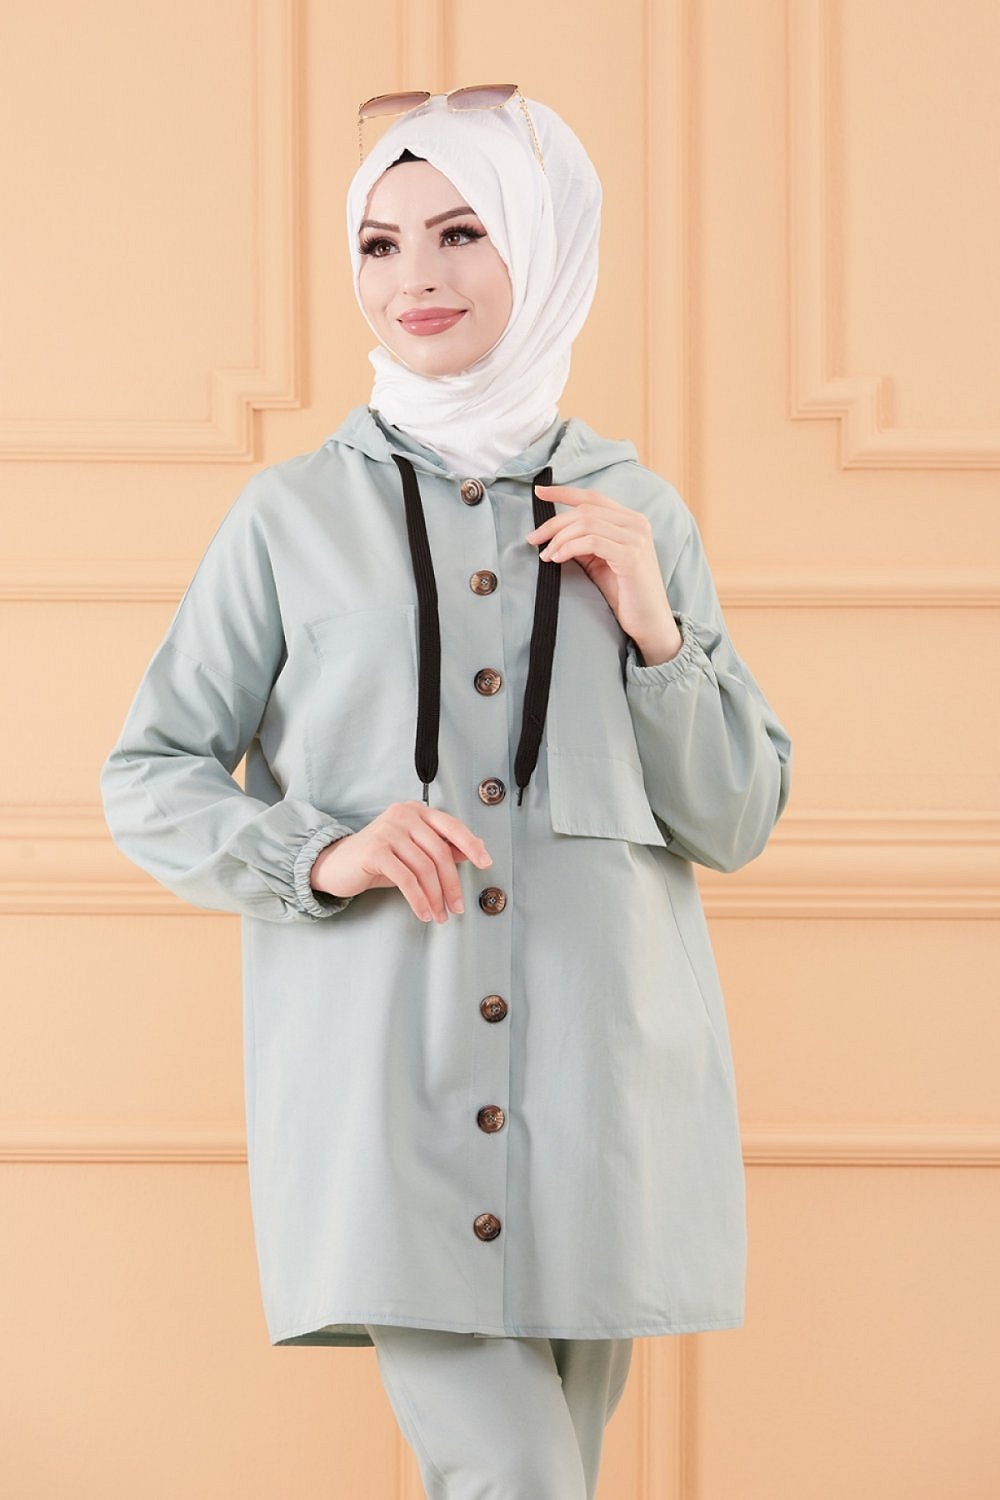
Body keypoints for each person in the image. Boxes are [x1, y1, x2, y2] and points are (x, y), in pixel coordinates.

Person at [100, 87, 793, 1500]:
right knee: (520, 1480)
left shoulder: (638, 511)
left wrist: (656, 630)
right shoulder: (292, 515)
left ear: (540, 245)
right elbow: (149, 773)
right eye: (379, 242)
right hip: (384, 1090)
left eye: (462, 232)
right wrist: (324, 852)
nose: (413, 276)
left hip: (604, 1095)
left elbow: (734, 817)